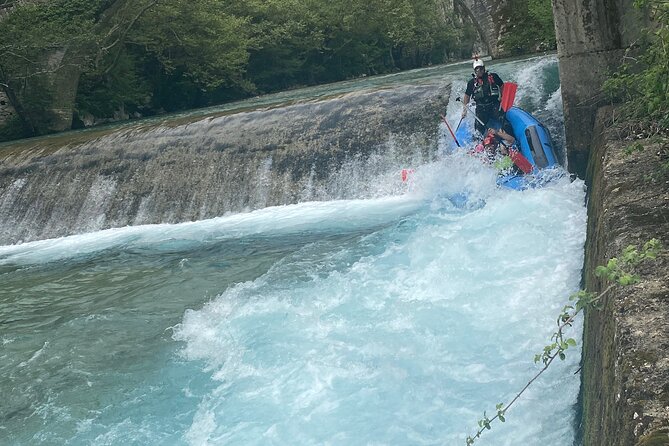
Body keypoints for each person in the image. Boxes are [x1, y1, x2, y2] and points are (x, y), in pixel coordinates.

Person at [461, 58, 504, 135]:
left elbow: (502, 86)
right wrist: (464, 110)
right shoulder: (472, 83)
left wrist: (502, 97)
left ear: (484, 68)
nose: (479, 71)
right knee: (478, 130)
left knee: (503, 120)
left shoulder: (493, 77)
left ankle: (506, 134)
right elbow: (467, 96)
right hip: (481, 108)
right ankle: (480, 142)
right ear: (474, 71)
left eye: (480, 69)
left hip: (494, 105)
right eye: (477, 69)